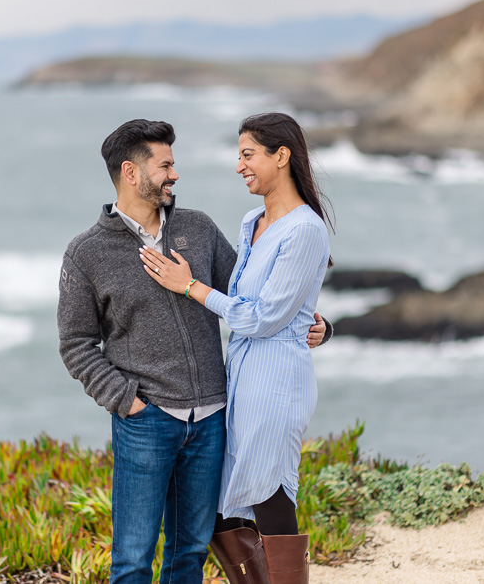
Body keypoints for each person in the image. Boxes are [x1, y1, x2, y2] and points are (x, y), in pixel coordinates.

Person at [57, 118, 329, 584]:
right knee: (132, 559)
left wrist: (318, 323)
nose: (175, 175)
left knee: (190, 553)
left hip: (210, 421)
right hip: (147, 422)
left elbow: (249, 297)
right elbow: (76, 344)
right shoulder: (87, 253)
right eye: (165, 165)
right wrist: (128, 401)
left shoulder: (199, 230)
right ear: (131, 172)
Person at [141, 112, 333, 584]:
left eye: (248, 154)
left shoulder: (306, 230)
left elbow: (263, 316)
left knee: (269, 499)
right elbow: (246, 296)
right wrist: (320, 325)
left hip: (277, 382)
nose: (239, 165)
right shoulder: (253, 222)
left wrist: (190, 287)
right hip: (242, 381)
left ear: (281, 156)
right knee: (225, 510)